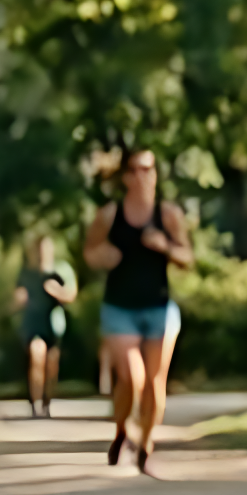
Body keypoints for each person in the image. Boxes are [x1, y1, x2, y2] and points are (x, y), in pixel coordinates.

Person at [82, 150, 195, 475]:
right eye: (137, 169)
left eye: (150, 169)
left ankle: (145, 445)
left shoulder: (168, 214)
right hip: (120, 308)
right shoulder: (109, 215)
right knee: (132, 378)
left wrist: (166, 246)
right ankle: (121, 430)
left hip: (159, 308)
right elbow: (89, 251)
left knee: (154, 383)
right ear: (126, 177)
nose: (144, 175)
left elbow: (187, 256)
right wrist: (100, 256)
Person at [17, 236, 74, 420]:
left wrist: (56, 291)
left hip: (54, 326)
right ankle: (36, 404)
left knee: (51, 366)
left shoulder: (61, 270)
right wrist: (17, 300)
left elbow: (71, 295)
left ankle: (47, 401)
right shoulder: (26, 273)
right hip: (33, 324)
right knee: (37, 355)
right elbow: (15, 297)